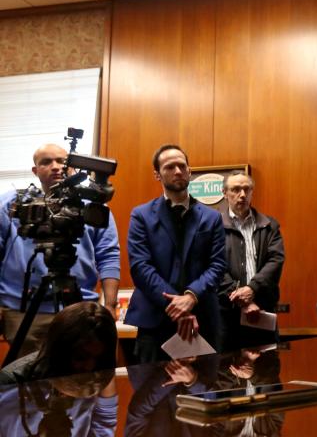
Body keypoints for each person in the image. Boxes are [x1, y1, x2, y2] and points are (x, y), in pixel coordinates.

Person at [0, 144, 120, 358]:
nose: (55, 167)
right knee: (23, 379)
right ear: (35, 171)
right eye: (46, 162)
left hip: (80, 308)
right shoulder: (12, 203)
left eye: (62, 162)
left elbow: (108, 254)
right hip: (22, 309)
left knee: (76, 375)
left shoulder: (93, 208)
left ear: (74, 169)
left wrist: (109, 306)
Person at [126, 144, 227, 363]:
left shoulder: (212, 218)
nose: (178, 171)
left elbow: (218, 265)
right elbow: (140, 267)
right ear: (157, 174)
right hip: (154, 321)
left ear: (190, 171)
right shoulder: (141, 215)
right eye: (170, 167)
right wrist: (178, 307)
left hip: (202, 320)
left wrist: (191, 297)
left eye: (182, 166)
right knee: (150, 394)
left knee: (202, 392)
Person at [218, 171, 285, 350]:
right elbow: (213, 266)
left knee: (266, 373)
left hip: (262, 311)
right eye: (236, 189)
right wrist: (243, 300)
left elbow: (275, 260)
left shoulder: (269, 225)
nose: (242, 195)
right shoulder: (213, 226)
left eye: (247, 189)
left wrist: (252, 289)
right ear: (224, 193)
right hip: (227, 314)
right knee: (227, 372)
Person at [0, 301, 117, 384]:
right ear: (60, 351)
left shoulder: (96, 379)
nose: (89, 367)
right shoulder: (12, 380)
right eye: (81, 357)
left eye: (100, 358)